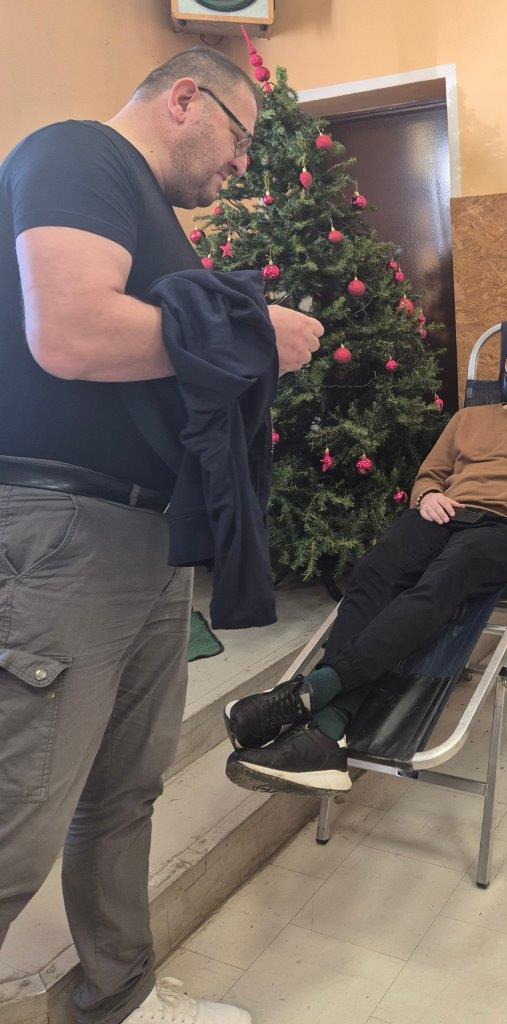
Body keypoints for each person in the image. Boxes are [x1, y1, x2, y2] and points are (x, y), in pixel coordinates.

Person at [0, 47, 323, 1024]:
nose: (241, 166)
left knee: (124, 790)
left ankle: (120, 996)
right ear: (187, 98)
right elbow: (71, 333)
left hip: (143, 534)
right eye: (240, 139)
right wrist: (251, 335)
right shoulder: (77, 155)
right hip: (65, 528)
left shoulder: (151, 214)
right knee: (18, 819)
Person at [225, 329, 507, 794]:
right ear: (505, 364)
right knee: (372, 573)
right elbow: (430, 474)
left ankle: (314, 696)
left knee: (438, 584)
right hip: (444, 515)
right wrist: (427, 497)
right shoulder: (468, 418)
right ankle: (327, 734)